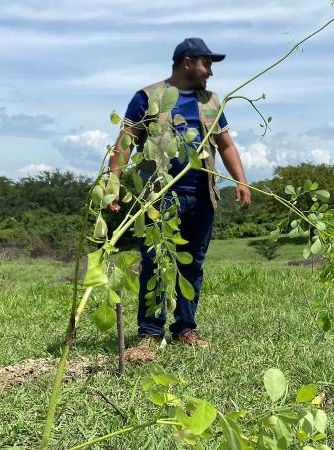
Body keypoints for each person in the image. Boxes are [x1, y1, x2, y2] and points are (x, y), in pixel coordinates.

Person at [108, 38, 252, 354]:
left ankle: (185, 328)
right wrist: (112, 184)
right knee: (154, 261)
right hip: (158, 196)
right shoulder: (149, 97)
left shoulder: (212, 101)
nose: (210, 72)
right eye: (207, 63)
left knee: (192, 265)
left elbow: (226, 145)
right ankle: (149, 332)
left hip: (201, 196)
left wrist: (242, 181)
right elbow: (125, 143)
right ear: (187, 62)